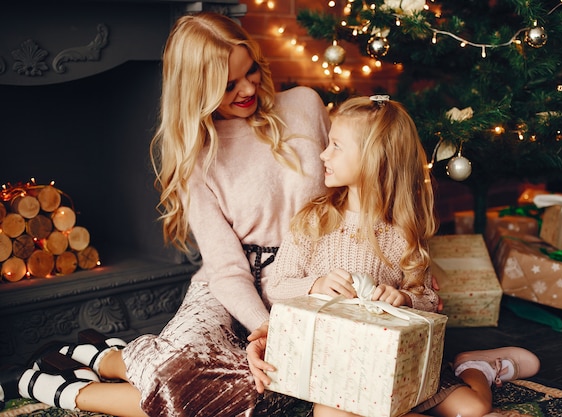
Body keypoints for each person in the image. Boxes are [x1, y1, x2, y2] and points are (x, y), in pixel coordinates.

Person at [0, 11, 330, 417]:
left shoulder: (305, 106)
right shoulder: (197, 158)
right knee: (179, 380)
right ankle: (50, 382)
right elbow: (226, 269)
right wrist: (266, 328)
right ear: (198, 90)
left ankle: (97, 359)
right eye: (228, 86)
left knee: (256, 389)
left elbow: (346, 197)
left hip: (304, 277)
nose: (248, 89)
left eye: (250, 72)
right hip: (228, 285)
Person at [246, 95, 540, 417]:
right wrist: (314, 285)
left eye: (336, 146)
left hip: (390, 363)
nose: (323, 153)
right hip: (332, 366)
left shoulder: (401, 231)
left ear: (375, 158)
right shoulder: (314, 220)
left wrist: (402, 298)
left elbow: (428, 299)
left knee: (473, 407)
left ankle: (476, 365)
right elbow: (275, 287)